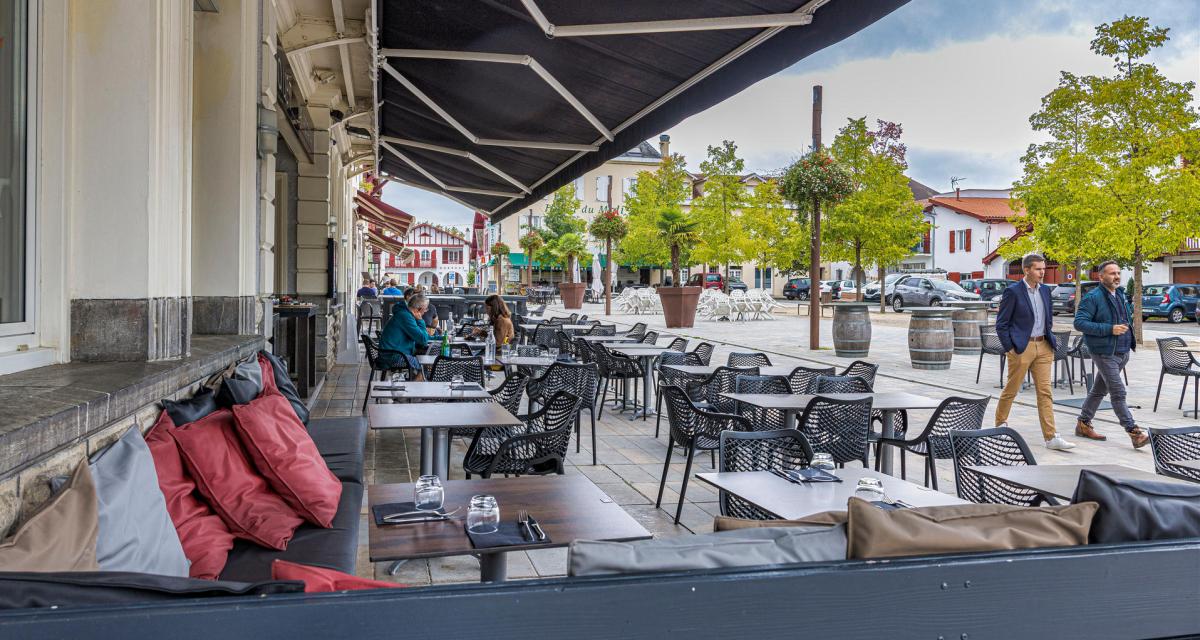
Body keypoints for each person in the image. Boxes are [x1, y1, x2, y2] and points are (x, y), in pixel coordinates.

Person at [994, 253, 1075, 451]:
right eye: (1038, 269)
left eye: (1043, 269)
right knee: (1011, 389)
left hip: (1044, 347)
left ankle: (1051, 437)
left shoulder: (1046, 291)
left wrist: (1050, 339)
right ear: (1027, 270)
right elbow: (1001, 324)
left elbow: (1047, 318)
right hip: (1022, 347)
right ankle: (999, 425)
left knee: (1045, 392)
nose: (1042, 272)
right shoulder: (1013, 292)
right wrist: (1011, 348)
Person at [1073, 261, 1148, 448]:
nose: (1116, 276)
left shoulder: (1120, 294)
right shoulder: (1093, 297)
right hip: (1104, 352)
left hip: (1122, 352)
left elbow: (1126, 318)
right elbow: (1079, 323)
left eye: (1118, 273)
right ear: (1101, 277)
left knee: (1099, 390)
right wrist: (1109, 329)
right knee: (1118, 392)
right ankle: (1134, 432)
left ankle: (1083, 423)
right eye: (1112, 273)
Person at [378, 292, 431, 378]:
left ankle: (412, 385)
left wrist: (441, 338)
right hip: (393, 357)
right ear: (418, 310)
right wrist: (420, 320)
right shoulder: (405, 317)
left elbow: (422, 337)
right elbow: (423, 340)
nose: (425, 312)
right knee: (426, 367)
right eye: (425, 309)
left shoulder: (405, 314)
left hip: (393, 354)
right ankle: (413, 389)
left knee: (423, 361)